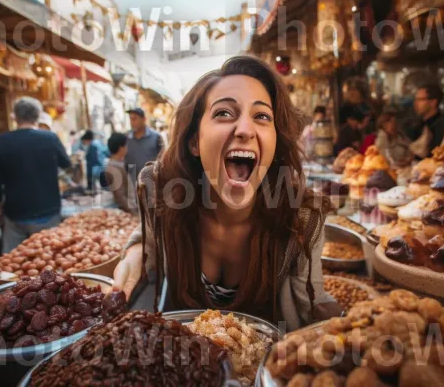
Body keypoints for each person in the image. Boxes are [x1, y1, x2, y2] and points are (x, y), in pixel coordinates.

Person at [112, 56, 342, 331]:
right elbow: (149, 236)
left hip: (260, 371)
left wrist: (355, 326)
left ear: (275, 140)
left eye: (261, 116)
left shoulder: (301, 218)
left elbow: (312, 303)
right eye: (223, 113)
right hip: (176, 366)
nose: (245, 129)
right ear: (194, 141)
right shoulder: (163, 193)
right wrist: (136, 253)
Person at [0, 97, 71, 253]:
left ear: (15, 117)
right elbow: (66, 164)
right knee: (50, 261)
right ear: (38, 116)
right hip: (47, 211)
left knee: (13, 264)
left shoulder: (0, 142)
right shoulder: (50, 138)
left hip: (15, 213)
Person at [409, 83, 444, 157]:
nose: (415, 103)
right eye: (415, 99)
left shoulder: (442, 125)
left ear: (433, 102)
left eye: (420, 99)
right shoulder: (417, 124)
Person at [125, 108, 163, 183]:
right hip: (132, 182)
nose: (132, 122)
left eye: (135, 119)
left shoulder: (156, 137)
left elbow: (162, 158)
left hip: (152, 181)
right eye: (130, 119)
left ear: (144, 119)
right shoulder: (127, 138)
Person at [104, 133, 137, 213]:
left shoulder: (117, 164)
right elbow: (120, 196)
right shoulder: (115, 168)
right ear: (121, 148)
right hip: (125, 211)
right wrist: (134, 213)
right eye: (126, 145)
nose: (127, 148)